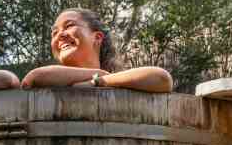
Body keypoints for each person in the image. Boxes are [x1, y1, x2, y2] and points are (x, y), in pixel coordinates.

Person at [20, 8, 173, 92]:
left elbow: (162, 79)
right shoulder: (50, 78)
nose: (60, 35)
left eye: (69, 26)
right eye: (54, 33)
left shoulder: (112, 81)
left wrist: (99, 81)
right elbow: (36, 77)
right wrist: (97, 74)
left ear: (97, 37)